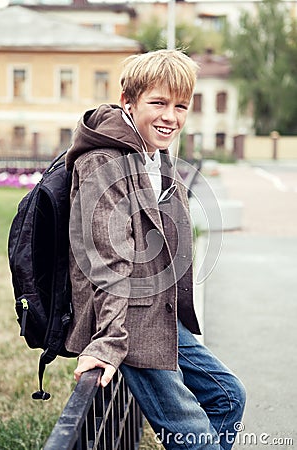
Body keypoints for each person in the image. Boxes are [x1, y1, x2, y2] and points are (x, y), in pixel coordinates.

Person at [65, 49, 246, 450]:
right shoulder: (102, 161)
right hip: (127, 323)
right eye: (159, 103)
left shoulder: (154, 153)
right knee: (198, 441)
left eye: (180, 106)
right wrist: (109, 342)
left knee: (228, 397)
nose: (171, 117)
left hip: (156, 311)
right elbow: (108, 263)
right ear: (129, 102)